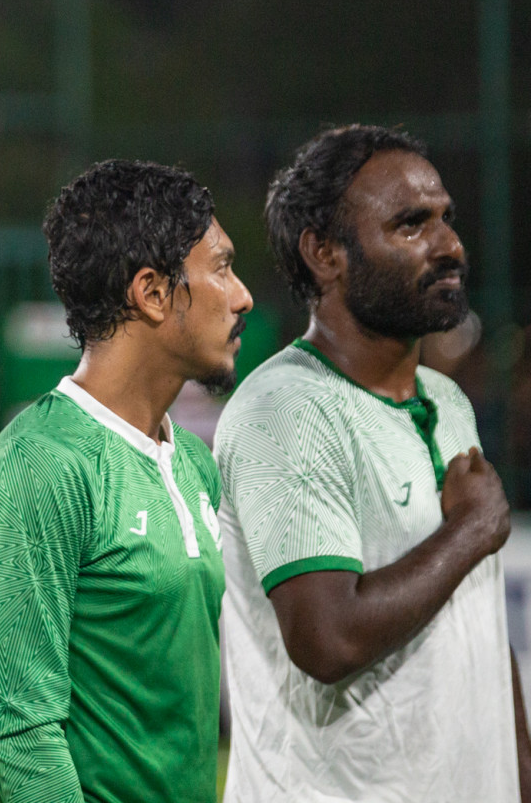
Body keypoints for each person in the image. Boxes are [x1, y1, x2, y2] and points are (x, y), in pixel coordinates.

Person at [217, 125, 528, 802]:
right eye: (411, 224)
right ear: (325, 254)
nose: (449, 246)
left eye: (446, 218)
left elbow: (476, 627)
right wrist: (469, 531)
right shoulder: (287, 409)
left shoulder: (446, 402)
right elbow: (327, 639)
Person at [0, 160, 248, 803]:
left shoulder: (193, 463)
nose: (242, 295)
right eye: (222, 269)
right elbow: (22, 727)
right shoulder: (39, 465)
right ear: (151, 292)